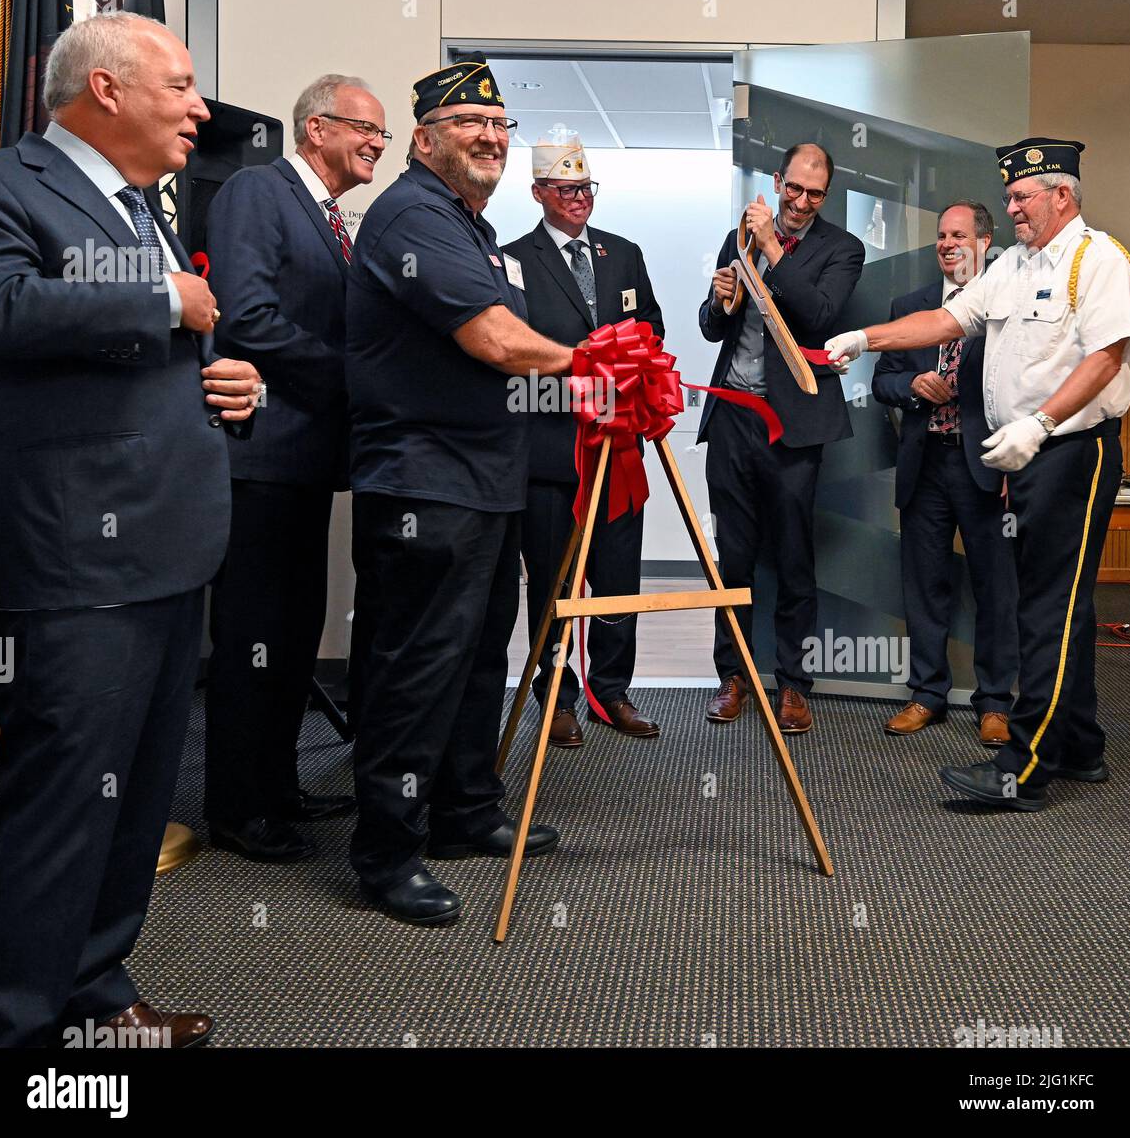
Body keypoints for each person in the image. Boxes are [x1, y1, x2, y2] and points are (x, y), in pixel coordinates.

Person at [0, 12, 262, 1046]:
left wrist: (225, 381)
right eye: (181, 86)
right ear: (104, 88)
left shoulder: (140, 206)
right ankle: (12, 1033)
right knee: (57, 813)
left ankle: (97, 997)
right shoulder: (1, 183)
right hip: (73, 566)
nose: (200, 108)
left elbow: (153, 349)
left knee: (131, 803)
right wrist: (163, 301)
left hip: (169, 552)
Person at [828, 139, 1130, 811]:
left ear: (1063, 196)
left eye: (1022, 197)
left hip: (1069, 454)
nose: (1012, 207)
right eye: (1007, 197)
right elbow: (947, 318)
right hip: (1026, 457)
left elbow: (1107, 357)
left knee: (1047, 609)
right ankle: (1079, 746)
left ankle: (1024, 767)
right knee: (1059, 607)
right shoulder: (1015, 265)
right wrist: (864, 340)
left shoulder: (1098, 259)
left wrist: (1037, 423)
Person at [345, 54, 572, 925]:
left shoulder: (468, 224)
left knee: (479, 655)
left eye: (500, 126)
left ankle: (462, 813)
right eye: (469, 125)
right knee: (418, 669)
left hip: (482, 483)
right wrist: (597, 368)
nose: (489, 137)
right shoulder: (412, 215)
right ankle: (387, 854)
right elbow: (492, 340)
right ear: (424, 138)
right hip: (423, 487)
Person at [202, 74, 387, 862]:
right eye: (365, 128)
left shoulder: (329, 216)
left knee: (290, 635)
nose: (379, 142)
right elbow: (248, 316)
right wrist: (358, 376)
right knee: (254, 637)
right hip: (263, 462)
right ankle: (239, 810)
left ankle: (276, 787)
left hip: (305, 464)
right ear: (316, 128)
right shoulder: (258, 190)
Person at [502, 132, 664, 748]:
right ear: (539, 192)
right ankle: (558, 692)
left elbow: (651, 325)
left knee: (619, 577)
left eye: (586, 189)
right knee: (551, 580)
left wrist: (626, 353)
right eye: (566, 190)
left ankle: (612, 691)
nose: (578, 200)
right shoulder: (512, 259)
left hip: (619, 448)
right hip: (550, 450)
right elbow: (513, 348)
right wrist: (586, 361)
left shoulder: (623, 253)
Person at [699, 142, 864, 733]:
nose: (798, 202)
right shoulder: (737, 234)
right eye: (792, 188)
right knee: (733, 559)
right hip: (733, 418)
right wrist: (720, 301)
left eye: (813, 193)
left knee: (794, 558)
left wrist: (772, 249)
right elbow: (713, 324)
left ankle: (794, 686)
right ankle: (732, 678)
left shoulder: (842, 248)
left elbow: (819, 316)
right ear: (778, 179)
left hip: (793, 425)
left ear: (826, 196)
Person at [872, 202, 1018, 743]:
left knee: (994, 586)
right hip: (925, 462)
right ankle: (927, 694)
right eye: (941, 234)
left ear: (984, 241)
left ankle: (996, 703)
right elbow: (883, 378)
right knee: (924, 584)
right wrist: (910, 387)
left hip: (984, 465)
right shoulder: (909, 307)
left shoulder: (1007, 306)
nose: (947, 243)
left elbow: (1022, 386)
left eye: (959, 234)